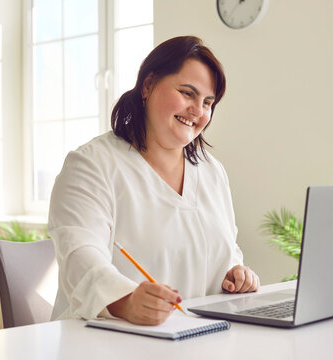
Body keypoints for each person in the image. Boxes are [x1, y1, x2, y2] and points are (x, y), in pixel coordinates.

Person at [48, 35, 260, 325]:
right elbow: (79, 257)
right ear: (148, 86)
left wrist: (235, 273)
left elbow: (226, 249)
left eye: (208, 102)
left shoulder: (213, 172)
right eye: (187, 93)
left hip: (195, 338)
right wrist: (125, 301)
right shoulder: (91, 165)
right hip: (104, 340)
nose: (198, 111)